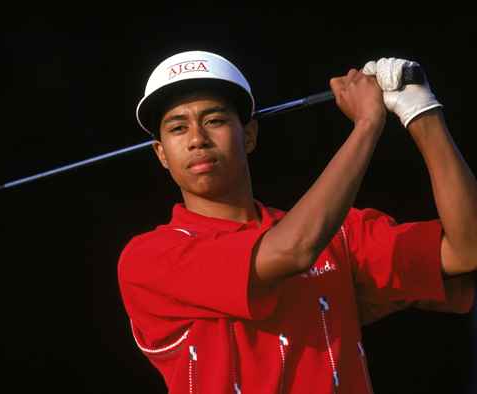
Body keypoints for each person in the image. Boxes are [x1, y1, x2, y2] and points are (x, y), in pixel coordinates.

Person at [117, 50, 477, 394]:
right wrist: (367, 125)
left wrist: (422, 113)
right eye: (178, 128)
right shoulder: (149, 259)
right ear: (161, 153)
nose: (197, 139)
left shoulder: (339, 234)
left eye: (215, 120)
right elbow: (294, 250)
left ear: (251, 135)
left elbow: (467, 249)